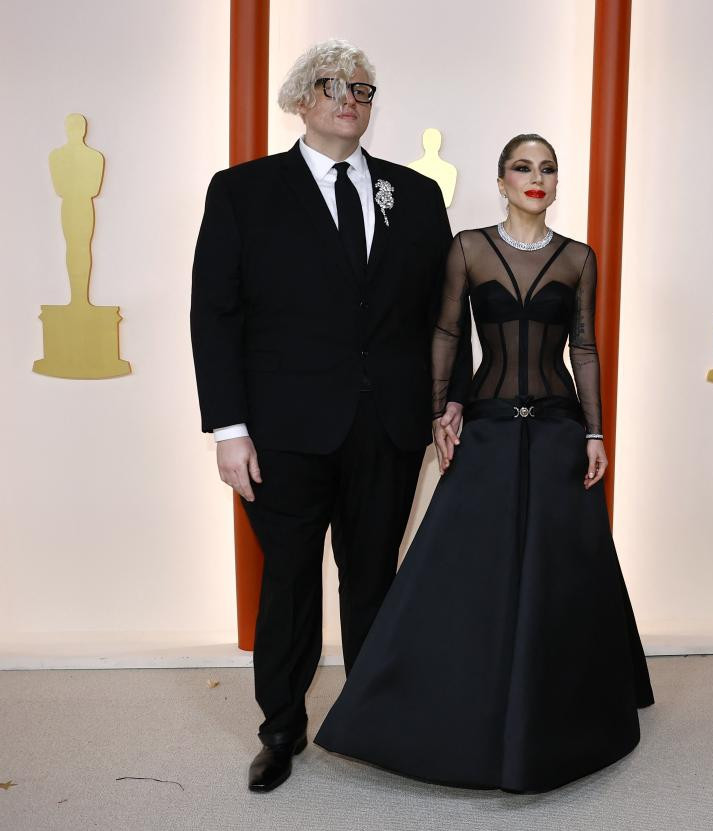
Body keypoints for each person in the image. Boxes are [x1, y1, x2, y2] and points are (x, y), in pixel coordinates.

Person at [315, 134, 654, 793]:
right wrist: (442, 409)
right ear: (501, 181)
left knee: (566, 572)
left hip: (558, 431)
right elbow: (446, 331)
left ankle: (566, 711)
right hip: (491, 427)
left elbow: (583, 347)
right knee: (458, 568)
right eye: (523, 167)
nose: (537, 177)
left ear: (557, 184)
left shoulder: (578, 258)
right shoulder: (468, 248)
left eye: (548, 168)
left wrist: (596, 431)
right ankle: (424, 701)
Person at [190, 39, 467, 793]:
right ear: (299, 99)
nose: (349, 97)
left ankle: (373, 720)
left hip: (389, 425)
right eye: (331, 84)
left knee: (374, 577)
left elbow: (444, 312)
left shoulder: (413, 195)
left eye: (364, 89)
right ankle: (281, 727)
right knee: (288, 581)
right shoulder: (242, 191)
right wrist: (228, 428)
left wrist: (453, 397)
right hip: (281, 430)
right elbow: (215, 315)